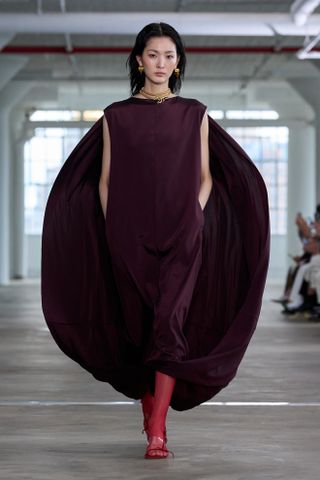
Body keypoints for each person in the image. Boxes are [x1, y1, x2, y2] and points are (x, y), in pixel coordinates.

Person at [41, 22, 270, 460]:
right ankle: (151, 412)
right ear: (138, 60)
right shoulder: (115, 116)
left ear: (178, 62)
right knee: (138, 327)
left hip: (183, 232)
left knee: (169, 322)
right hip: (127, 235)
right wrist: (114, 227)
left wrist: (194, 216)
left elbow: (204, 177)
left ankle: (158, 431)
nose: (160, 63)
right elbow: (105, 182)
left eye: (168, 55)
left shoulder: (194, 113)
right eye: (152, 55)